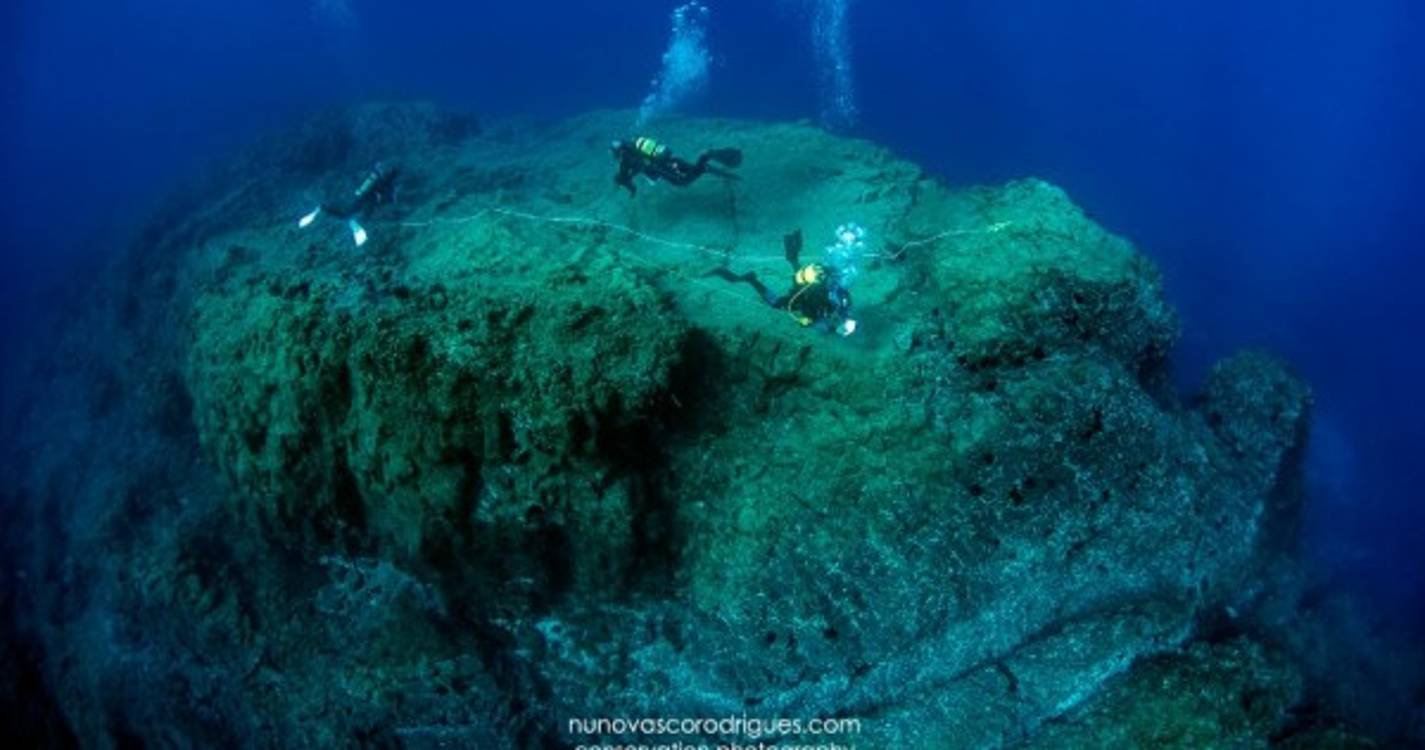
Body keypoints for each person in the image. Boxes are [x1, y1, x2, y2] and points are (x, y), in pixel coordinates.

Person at [709, 229, 858, 337]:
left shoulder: (840, 301)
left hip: (809, 286)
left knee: (798, 276)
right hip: (803, 294)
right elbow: (813, 320)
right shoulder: (834, 307)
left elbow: (842, 300)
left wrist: (846, 319)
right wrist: (825, 327)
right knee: (776, 303)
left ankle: (791, 252)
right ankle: (751, 279)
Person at [297, 162, 399, 247]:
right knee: (361, 216)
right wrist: (388, 198)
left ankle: (322, 208)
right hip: (368, 198)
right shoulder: (384, 181)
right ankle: (355, 224)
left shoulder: (375, 176)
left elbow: (370, 187)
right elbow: (386, 197)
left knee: (348, 212)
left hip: (360, 195)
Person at [610, 137, 742, 196]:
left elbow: (626, 175)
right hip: (671, 160)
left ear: (619, 151)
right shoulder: (635, 144)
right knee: (691, 170)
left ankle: (705, 159)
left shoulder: (626, 159)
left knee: (683, 181)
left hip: (662, 168)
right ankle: (704, 161)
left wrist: (630, 186)